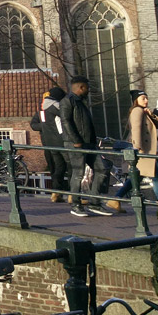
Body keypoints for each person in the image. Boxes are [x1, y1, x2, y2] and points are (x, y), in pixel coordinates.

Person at [60, 76, 112, 217]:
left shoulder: (81, 102)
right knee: (78, 173)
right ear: (81, 87)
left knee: (102, 168)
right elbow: (66, 122)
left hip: (89, 143)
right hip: (76, 143)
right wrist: (76, 140)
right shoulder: (68, 101)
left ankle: (95, 202)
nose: (89, 90)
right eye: (87, 87)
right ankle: (76, 204)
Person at [108, 90, 158, 212]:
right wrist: (137, 147)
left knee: (136, 178)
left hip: (145, 151)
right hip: (143, 151)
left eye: (147, 98)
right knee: (156, 178)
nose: (146, 100)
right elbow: (136, 129)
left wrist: (152, 115)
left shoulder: (143, 111)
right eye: (143, 98)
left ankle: (116, 199)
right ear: (136, 100)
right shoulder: (137, 111)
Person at [31, 86, 69, 203]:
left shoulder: (44, 109)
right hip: (53, 142)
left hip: (50, 143)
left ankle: (57, 192)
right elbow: (33, 125)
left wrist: (46, 126)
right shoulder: (47, 110)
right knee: (67, 166)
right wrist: (45, 126)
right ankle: (72, 194)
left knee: (59, 167)